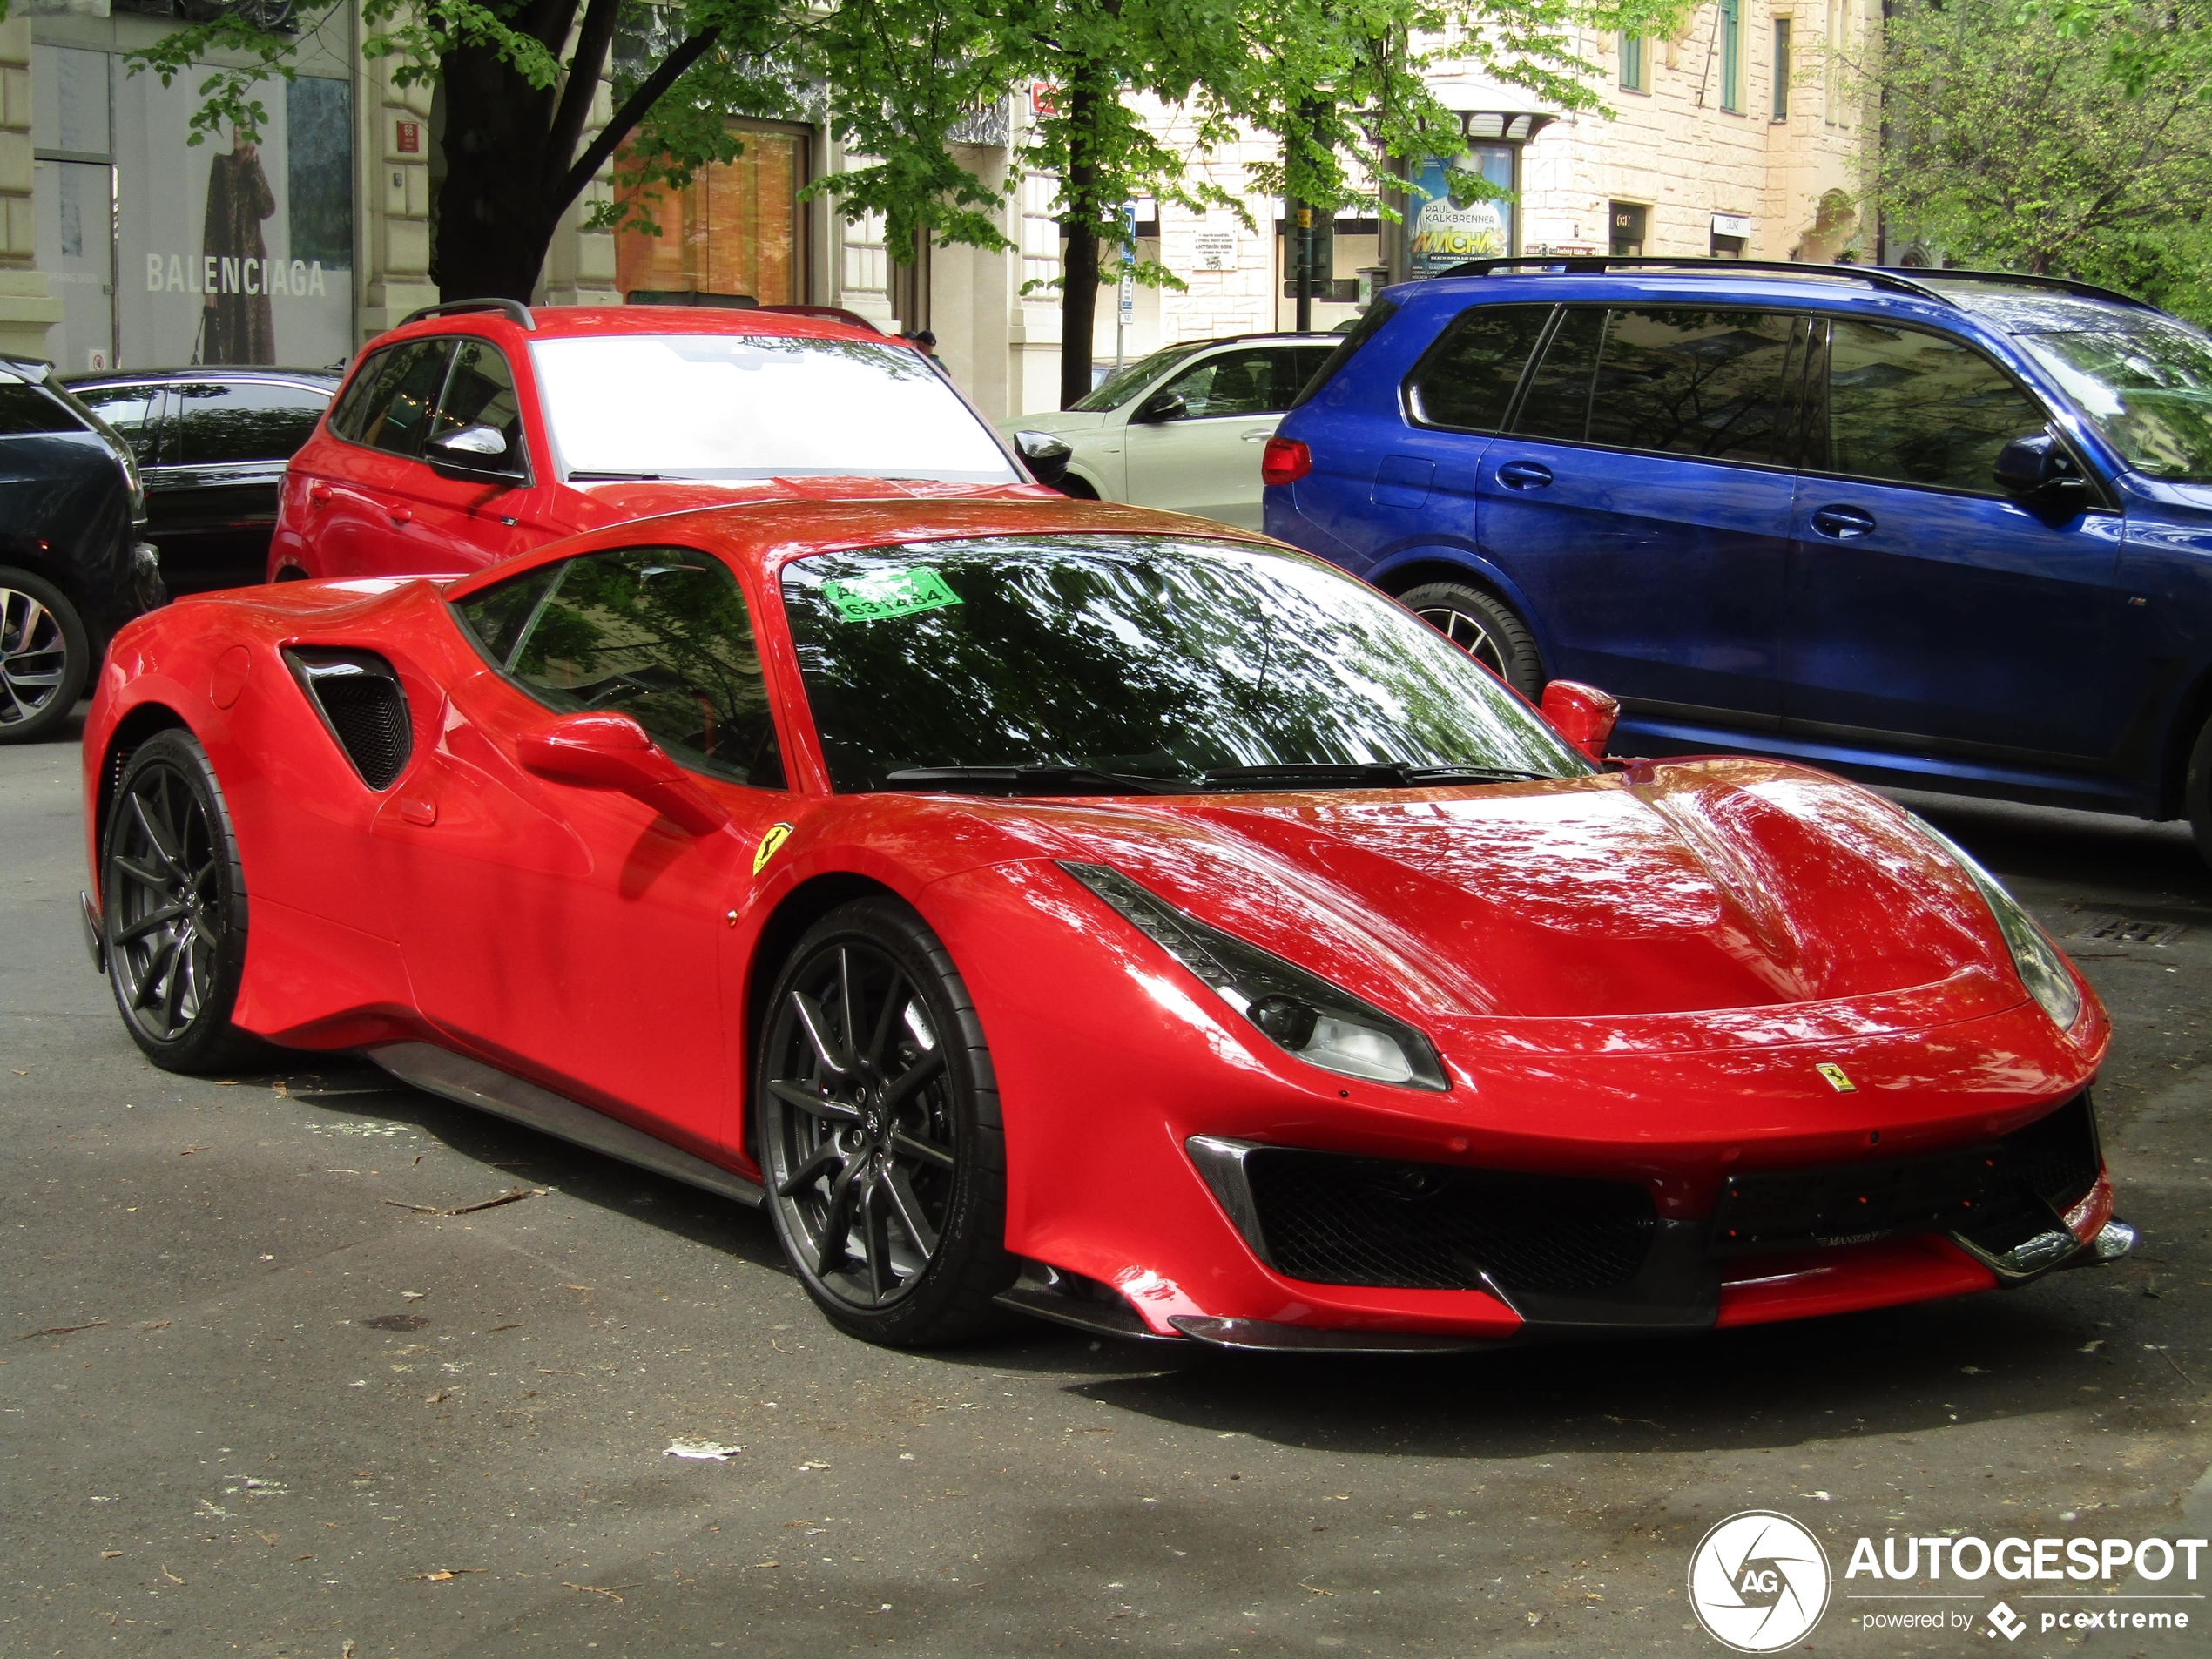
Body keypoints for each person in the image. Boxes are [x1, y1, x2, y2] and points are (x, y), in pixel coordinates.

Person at [203, 125, 277, 365]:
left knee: (254, 341)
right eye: (234, 126)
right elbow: (211, 225)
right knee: (227, 343)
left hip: (252, 269)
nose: (236, 132)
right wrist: (210, 285)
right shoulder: (222, 165)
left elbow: (267, 208)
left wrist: (253, 167)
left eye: (242, 127)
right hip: (226, 267)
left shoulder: (253, 168)